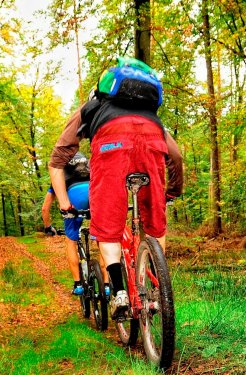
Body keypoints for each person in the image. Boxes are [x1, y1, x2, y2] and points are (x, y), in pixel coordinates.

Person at [48, 57, 184, 319]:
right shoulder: (151, 116)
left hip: (111, 149)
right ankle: (154, 289)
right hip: (151, 146)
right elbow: (175, 157)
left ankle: (119, 292)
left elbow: (58, 160)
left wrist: (65, 203)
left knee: (108, 226)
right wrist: (172, 193)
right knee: (155, 224)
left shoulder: (91, 107)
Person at [41, 152, 97, 296]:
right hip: (94, 192)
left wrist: (48, 227)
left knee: (71, 240)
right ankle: (108, 285)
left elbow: (45, 208)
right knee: (102, 237)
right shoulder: (89, 166)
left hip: (74, 196)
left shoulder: (60, 175)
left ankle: (78, 284)